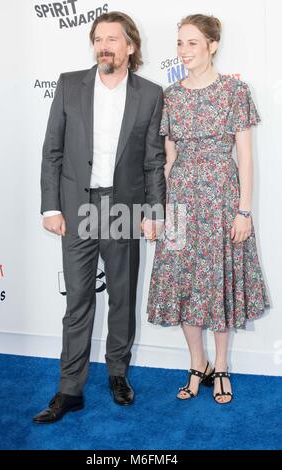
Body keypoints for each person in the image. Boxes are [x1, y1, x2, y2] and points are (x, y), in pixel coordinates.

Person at [34, 11, 166, 424]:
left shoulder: (150, 93)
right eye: (98, 38)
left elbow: (153, 160)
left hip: (124, 207)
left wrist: (154, 212)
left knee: (123, 299)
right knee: (78, 302)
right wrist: (51, 206)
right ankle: (69, 389)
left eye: (113, 39)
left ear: (130, 46)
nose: (104, 46)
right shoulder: (70, 84)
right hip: (77, 207)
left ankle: (117, 374)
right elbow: (52, 149)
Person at [147, 14, 270, 404]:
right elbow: (168, 160)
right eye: (180, 43)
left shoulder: (235, 91)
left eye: (192, 43)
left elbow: (246, 158)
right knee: (185, 281)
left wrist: (244, 211)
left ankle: (221, 366)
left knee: (217, 281)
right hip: (181, 198)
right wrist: (161, 211)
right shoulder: (171, 96)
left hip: (222, 197)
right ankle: (196, 363)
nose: (183, 51)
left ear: (212, 45)